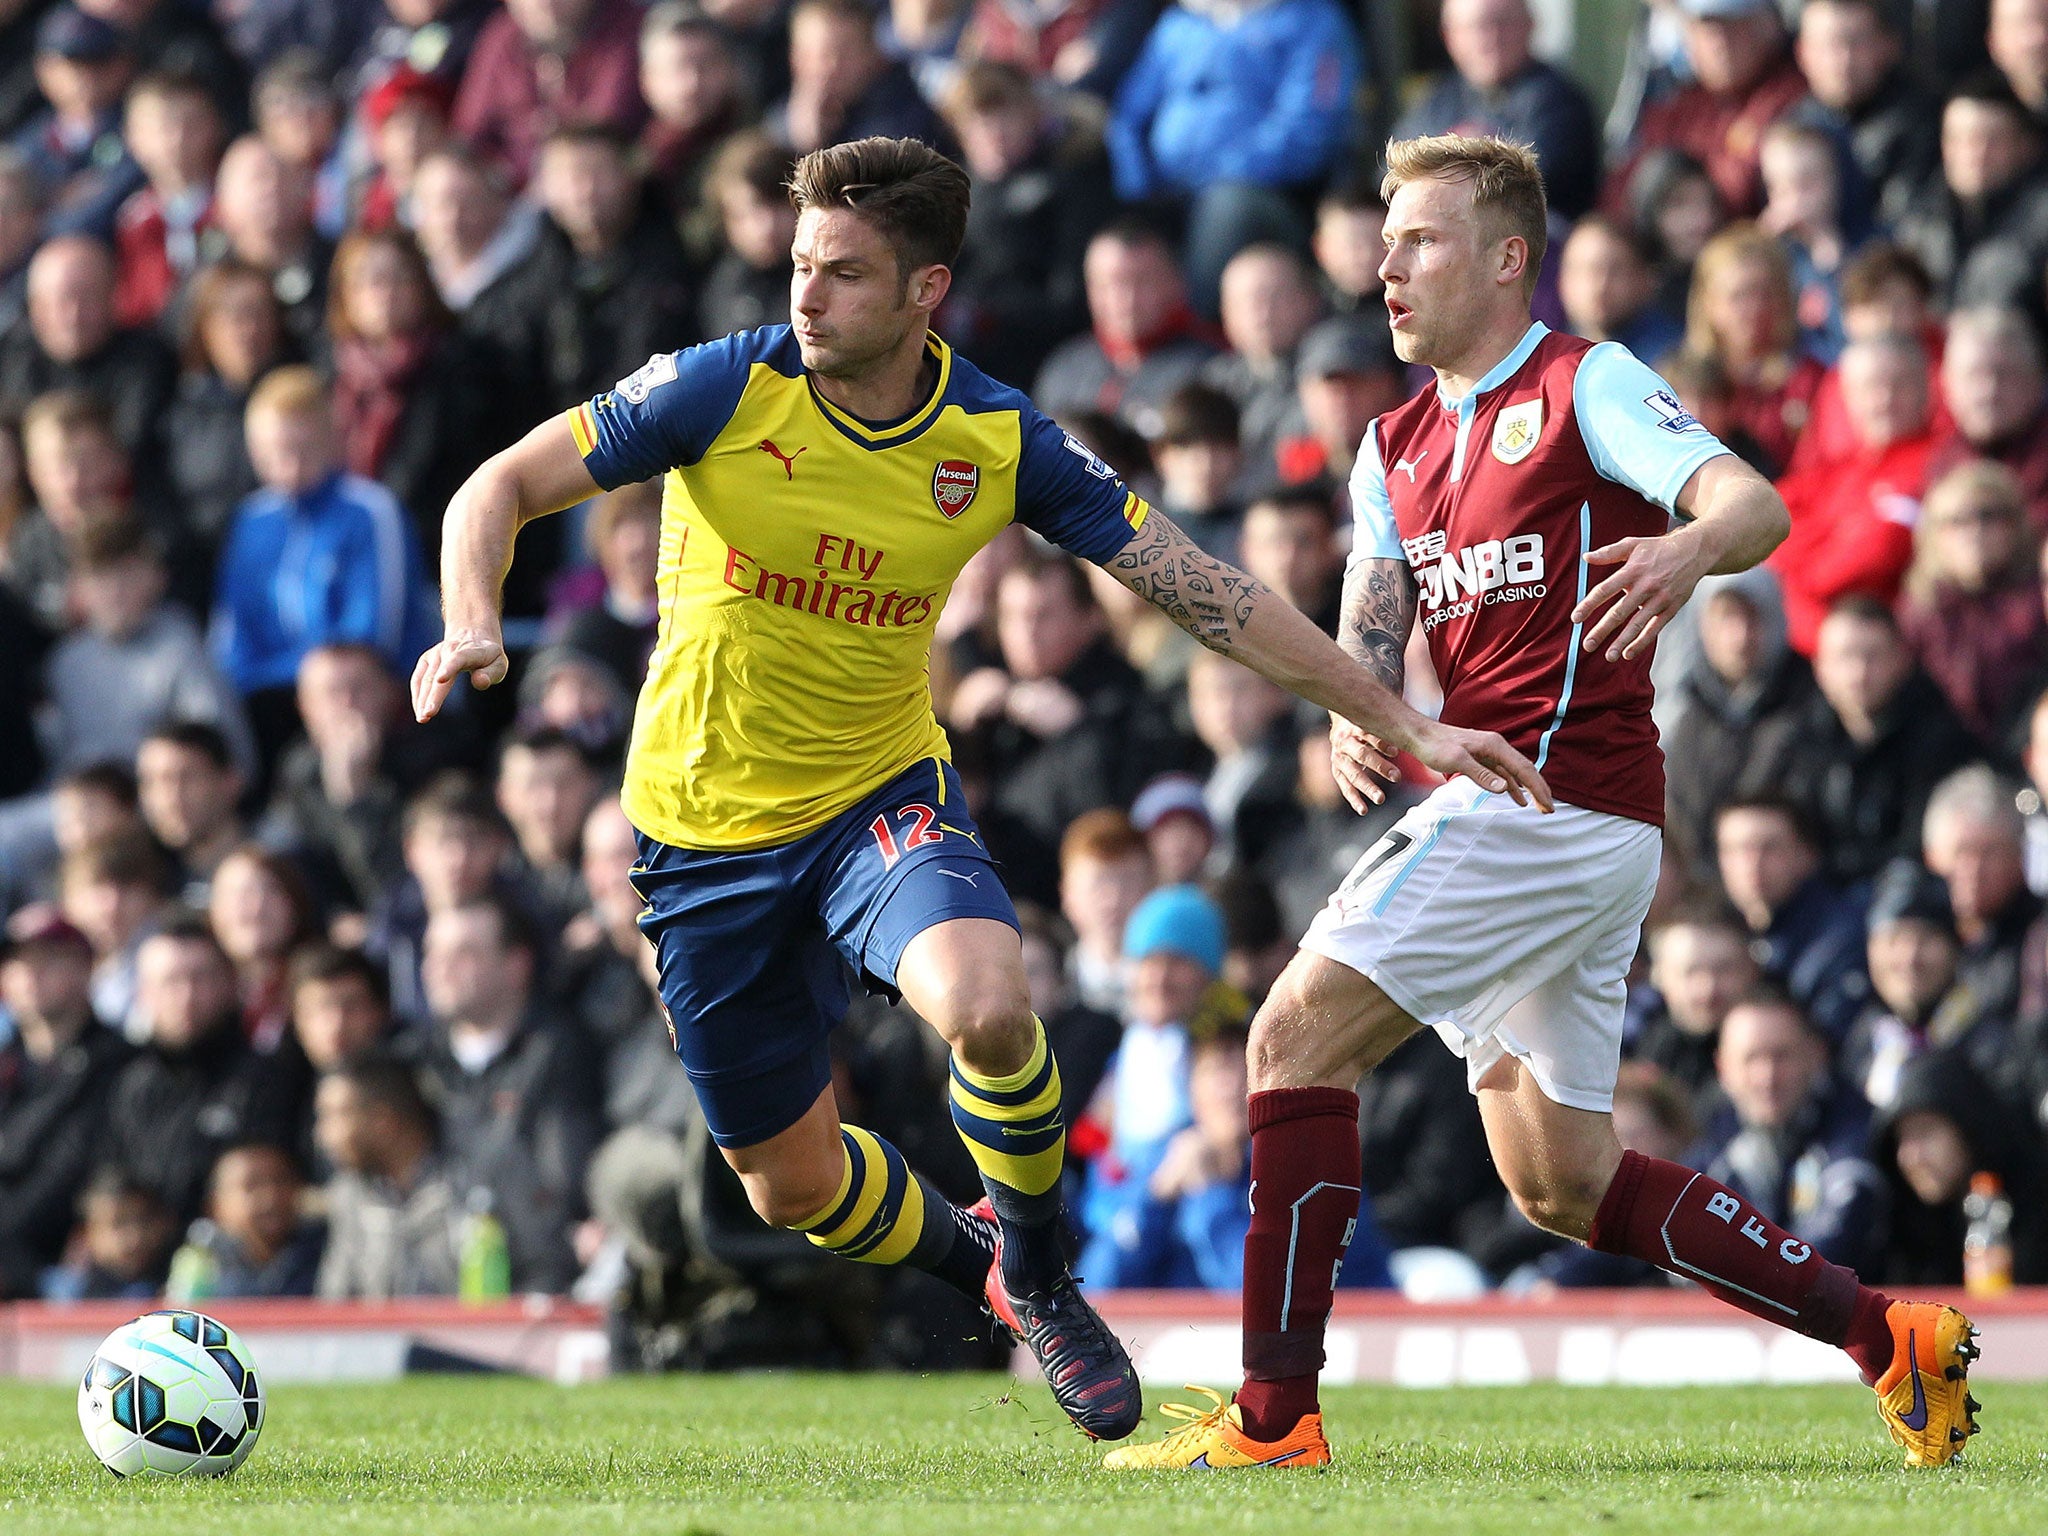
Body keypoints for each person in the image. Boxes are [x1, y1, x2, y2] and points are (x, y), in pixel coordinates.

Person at [411, 134, 1542, 1444]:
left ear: (924, 292)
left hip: (874, 803)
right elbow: (495, 486)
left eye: (842, 273)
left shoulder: (992, 437)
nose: (806, 296)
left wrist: (1398, 715)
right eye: (798, 265)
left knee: (993, 1009)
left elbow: (1208, 591)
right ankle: (985, 1271)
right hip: (697, 836)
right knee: (788, 1187)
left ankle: (1047, 1270)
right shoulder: (722, 388)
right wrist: (472, 623)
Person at [1110, 132, 1977, 1475]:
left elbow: (1752, 505)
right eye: (1386, 241)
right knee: (1561, 1183)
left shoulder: (1587, 382)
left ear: (1510, 259)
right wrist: (1356, 703)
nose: (1387, 266)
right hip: (1565, 825)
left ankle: (1273, 1421)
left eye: (1423, 240)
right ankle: (1886, 1338)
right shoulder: (1391, 444)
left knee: (1287, 1039)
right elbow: (1373, 609)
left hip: (1545, 798)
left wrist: (1686, 547)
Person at [210, 364, 438, 720]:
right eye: (275, 452)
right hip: (270, 703)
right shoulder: (250, 522)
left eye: (303, 449)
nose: (290, 466)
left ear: (332, 437)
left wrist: (284, 674)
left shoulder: (371, 511)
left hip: (365, 704)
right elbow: (234, 641)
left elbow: (371, 638)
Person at [1106, 0, 1361, 315]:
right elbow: (1129, 115)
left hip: (1268, 195)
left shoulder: (1310, 19)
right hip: (1169, 191)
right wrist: (1137, 187)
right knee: (1113, 233)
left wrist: (1219, 173)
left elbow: (1309, 129)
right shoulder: (1178, 23)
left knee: (1227, 211)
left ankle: (1206, 335)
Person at [409, 894, 602, 1293]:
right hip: (428, 1285)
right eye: (432, 953)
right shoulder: (412, 1064)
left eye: (463, 954)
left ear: (516, 966)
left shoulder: (559, 1051)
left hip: (544, 1282)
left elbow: (564, 1181)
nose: (439, 969)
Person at [1691, 988, 1887, 1279]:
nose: (1767, 1077)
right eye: (1751, 1059)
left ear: (1816, 1055)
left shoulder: (1854, 1128)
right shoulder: (1711, 1138)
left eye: (1781, 1056)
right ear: (1723, 1068)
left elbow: (1840, 1233)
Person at [42, 513, 254, 778]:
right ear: (78, 590)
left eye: (128, 571)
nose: (115, 589)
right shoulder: (64, 664)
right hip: (89, 805)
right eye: (99, 574)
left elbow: (231, 756)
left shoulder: (179, 641)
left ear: (157, 575)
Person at [1783, 598, 1979, 883]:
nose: (1860, 674)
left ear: (1902, 661)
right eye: (1846, 656)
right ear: (1820, 668)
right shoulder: (1800, 743)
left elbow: (1919, 848)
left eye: (1873, 656)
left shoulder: (1939, 741)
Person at [1768, 332, 1939, 655]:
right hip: (1818, 646)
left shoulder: (1939, 465)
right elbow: (1763, 535)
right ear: (1847, 398)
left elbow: (1874, 555)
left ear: (1926, 389)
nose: (1885, 399)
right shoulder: (1828, 474)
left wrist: (1806, 564)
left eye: (1899, 384)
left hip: (1892, 650)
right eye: (1872, 387)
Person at [0, 910, 131, 1297]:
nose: (30, 974)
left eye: (50, 959)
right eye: (18, 962)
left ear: (86, 968)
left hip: (73, 1274)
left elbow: (73, 1171)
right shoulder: (9, 1067)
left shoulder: (120, 1063)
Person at [1392, 0, 1599, 220]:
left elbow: (1527, 185)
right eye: (1477, 26)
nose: (1491, 38)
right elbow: (1394, 175)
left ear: (1530, 25)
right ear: (1449, 36)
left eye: (1503, 23)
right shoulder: (1435, 104)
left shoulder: (1556, 102)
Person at [1605, 0, 1806, 220]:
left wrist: (1666, 196)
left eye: (1734, 25)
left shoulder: (1789, 97)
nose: (1720, 42)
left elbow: (1736, 190)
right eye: (1708, 28)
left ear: (1767, 27)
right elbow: (1622, 192)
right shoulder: (1678, 106)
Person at [1842, 858, 2010, 1111]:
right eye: (1894, 940)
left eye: (1927, 938)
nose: (1910, 958)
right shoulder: (1859, 1043)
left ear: (1956, 949)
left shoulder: (1991, 1046)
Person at [1900, 461, 2046, 742]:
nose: (1974, 532)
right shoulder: (1919, 609)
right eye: (1957, 521)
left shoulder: (2040, 597)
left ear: (2016, 524)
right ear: (1933, 533)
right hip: (1947, 759)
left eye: (1988, 516)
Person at [1033, 219, 1219, 438]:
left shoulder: (1210, 372)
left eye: (1142, 282)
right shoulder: (1064, 371)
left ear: (1175, 283)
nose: (1126, 300)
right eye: (1110, 284)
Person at [1714, 793, 1872, 1039]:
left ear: (1806, 854)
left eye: (1769, 848)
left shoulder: (1842, 938)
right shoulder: (1723, 930)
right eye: (1737, 849)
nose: (1752, 863)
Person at [314, 1048, 467, 1299]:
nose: (322, 1136)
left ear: (382, 1121)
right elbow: (335, 1304)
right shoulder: (348, 1196)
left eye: (336, 1115)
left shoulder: (468, 1182)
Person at [1890, 73, 2048, 310]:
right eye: (1960, 139)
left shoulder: (2041, 225)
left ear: (2026, 147)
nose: (1976, 154)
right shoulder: (1915, 223)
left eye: (1992, 140)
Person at [451, 0, 646, 189]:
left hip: (589, 185)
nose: (544, 2)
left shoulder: (625, 27)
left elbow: (604, 127)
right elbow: (468, 134)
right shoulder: (502, 34)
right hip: (506, 189)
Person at [1790, 0, 1939, 227]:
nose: (1844, 61)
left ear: (1889, 46)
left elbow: (1904, 224)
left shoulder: (1923, 122)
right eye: (1829, 45)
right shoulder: (1792, 124)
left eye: (1857, 43)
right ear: (1803, 53)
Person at [1628, 899, 1761, 1115]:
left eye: (1723, 969)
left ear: (1752, 969)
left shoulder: (1777, 1049)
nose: (1707, 989)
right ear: (1659, 977)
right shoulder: (1643, 1055)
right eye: (1690, 972)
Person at [1930, 307, 2048, 531]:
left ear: (2037, 381)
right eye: (1974, 375)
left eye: (2004, 374)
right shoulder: (1942, 462)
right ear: (1947, 384)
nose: (1989, 391)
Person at [163, 1142, 323, 1300]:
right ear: (216, 1205)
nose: (270, 1196)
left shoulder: (325, 1250)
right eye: (252, 1185)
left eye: (281, 1181)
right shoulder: (199, 1261)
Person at [136, 722, 245, 907]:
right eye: (152, 782)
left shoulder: (283, 866)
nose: (170, 798)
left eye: (186, 778)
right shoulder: (140, 880)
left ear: (230, 782)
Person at [1557, 215, 1684, 366]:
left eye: (1615, 271)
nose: (1600, 285)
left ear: (1644, 278)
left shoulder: (1674, 358)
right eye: (1584, 270)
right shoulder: (1545, 357)